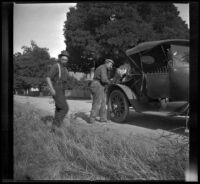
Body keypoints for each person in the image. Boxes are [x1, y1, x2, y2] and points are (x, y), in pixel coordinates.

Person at [46, 51, 69, 132]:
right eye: (63, 59)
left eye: (66, 60)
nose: (64, 61)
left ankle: (53, 130)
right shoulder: (56, 66)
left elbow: (65, 81)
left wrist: (65, 91)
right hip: (56, 88)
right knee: (65, 108)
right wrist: (52, 89)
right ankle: (56, 126)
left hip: (62, 89)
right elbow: (48, 78)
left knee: (59, 109)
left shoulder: (65, 69)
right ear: (60, 58)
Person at [89, 59, 114, 124]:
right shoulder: (103, 68)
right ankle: (92, 119)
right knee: (97, 103)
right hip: (97, 85)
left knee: (103, 103)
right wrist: (111, 82)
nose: (111, 67)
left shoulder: (103, 68)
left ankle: (103, 119)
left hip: (100, 85)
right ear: (107, 63)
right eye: (110, 65)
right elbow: (104, 80)